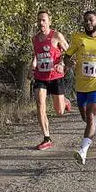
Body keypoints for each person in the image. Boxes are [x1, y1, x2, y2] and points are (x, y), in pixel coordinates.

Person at [65, 10, 96, 165]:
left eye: (91, 20)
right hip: (81, 84)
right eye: (86, 20)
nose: (88, 23)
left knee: (91, 115)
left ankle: (83, 150)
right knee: (86, 118)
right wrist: (69, 63)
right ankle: (95, 125)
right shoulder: (77, 37)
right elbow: (67, 55)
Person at [30, 10, 70, 150]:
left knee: (59, 111)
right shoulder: (35, 39)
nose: (41, 23)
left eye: (44, 20)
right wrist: (32, 67)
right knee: (40, 105)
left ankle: (64, 101)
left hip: (56, 77)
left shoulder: (56, 36)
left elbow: (69, 53)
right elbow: (37, 56)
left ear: (49, 22)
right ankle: (47, 138)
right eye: (39, 20)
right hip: (41, 77)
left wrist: (62, 64)